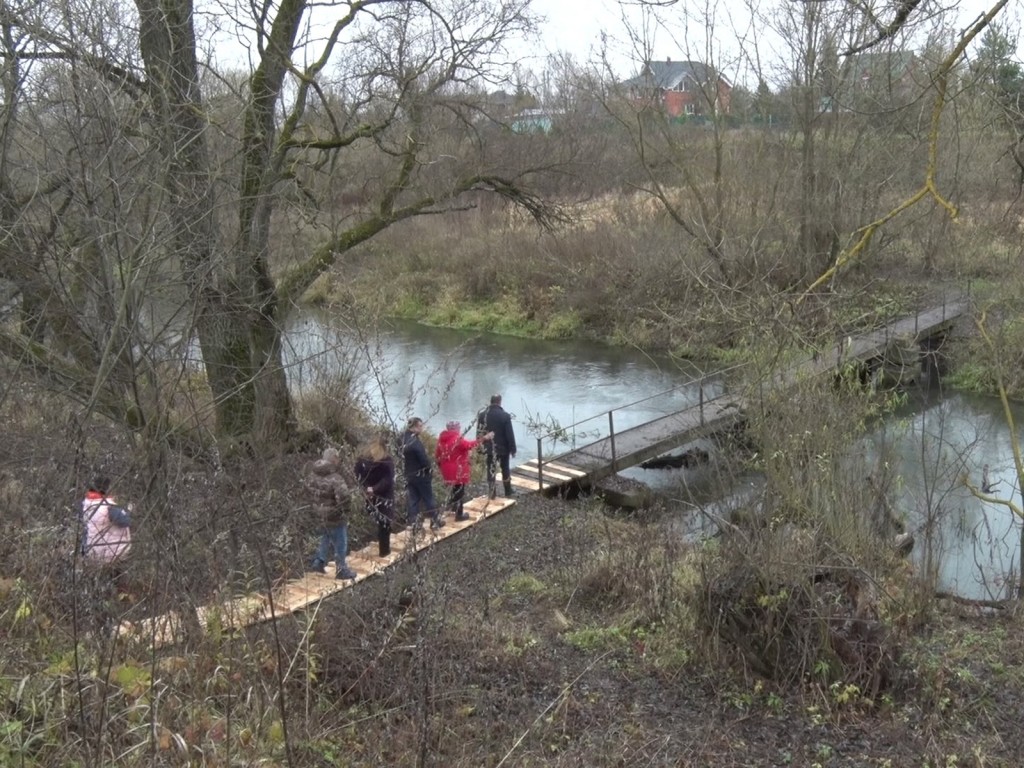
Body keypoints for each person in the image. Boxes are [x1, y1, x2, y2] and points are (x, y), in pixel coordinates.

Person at [305, 447, 357, 580]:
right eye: (337, 458)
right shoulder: (335, 478)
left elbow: (307, 493)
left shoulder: (312, 475)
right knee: (340, 542)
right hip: (334, 517)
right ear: (333, 459)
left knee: (324, 537)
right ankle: (341, 569)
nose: (339, 461)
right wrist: (344, 512)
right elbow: (344, 497)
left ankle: (319, 562)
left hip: (318, 515)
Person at [436, 420, 493, 522]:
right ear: (456, 428)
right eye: (459, 427)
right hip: (458, 470)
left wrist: (441, 468)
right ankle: (459, 515)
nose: (460, 429)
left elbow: (437, 455)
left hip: (446, 469)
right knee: (459, 492)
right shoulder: (457, 439)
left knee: (453, 489)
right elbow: (470, 445)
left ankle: (453, 508)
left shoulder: (441, 439)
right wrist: (484, 438)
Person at [355, 434, 396, 557]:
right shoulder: (386, 460)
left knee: (380, 520)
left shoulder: (362, 460)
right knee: (385, 522)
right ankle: (384, 550)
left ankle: (383, 547)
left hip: (369, 495)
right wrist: (375, 489)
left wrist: (366, 488)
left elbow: (358, 475)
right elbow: (388, 480)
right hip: (384, 495)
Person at [402, 417, 444, 530]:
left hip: (408, 474)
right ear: (414, 427)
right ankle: (435, 521)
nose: (422, 429)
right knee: (428, 498)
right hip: (420, 475)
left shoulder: (402, 439)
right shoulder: (415, 442)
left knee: (413, 499)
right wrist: (429, 470)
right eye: (420, 426)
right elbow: (423, 459)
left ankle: (415, 524)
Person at [477, 394, 517, 498]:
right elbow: (509, 434)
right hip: (503, 448)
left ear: (491, 402)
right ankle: (508, 491)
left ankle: (492, 492)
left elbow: (479, 433)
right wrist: (513, 449)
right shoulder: (505, 416)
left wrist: (479, 447)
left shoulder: (482, 415)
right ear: (500, 402)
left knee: (491, 470)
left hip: (489, 448)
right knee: (505, 469)